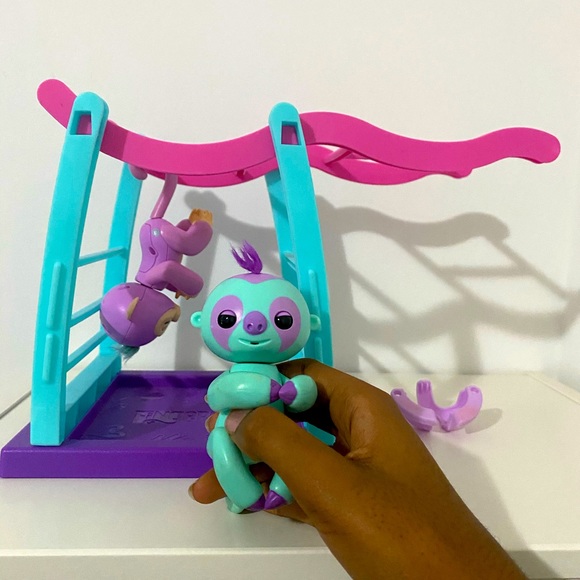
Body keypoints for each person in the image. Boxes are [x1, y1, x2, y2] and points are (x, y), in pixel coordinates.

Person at [190, 359, 525, 579]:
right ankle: (242, 496)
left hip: (276, 447)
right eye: (228, 319)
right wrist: (267, 391)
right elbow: (217, 395)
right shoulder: (233, 377)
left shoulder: (282, 375)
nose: (254, 327)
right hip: (232, 441)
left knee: (292, 455)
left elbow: (305, 396)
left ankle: (276, 490)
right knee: (222, 447)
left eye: (281, 319)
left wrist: (295, 391)